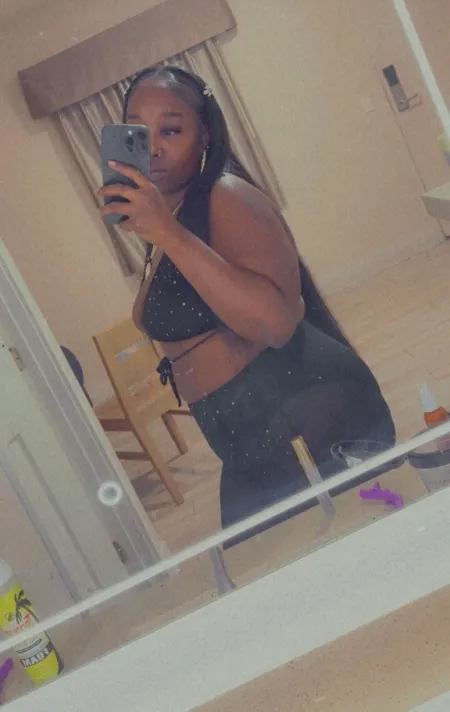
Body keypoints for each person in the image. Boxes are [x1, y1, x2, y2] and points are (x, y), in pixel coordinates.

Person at [99, 66, 396, 545]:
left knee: (342, 550)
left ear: (205, 135)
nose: (152, 147)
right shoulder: (174, 214)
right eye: (139, 131)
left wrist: (166, 233)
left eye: (170, 130)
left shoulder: (226, 197)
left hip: (301, 413)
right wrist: (162, 229)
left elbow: (276, 323)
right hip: (249, 432)